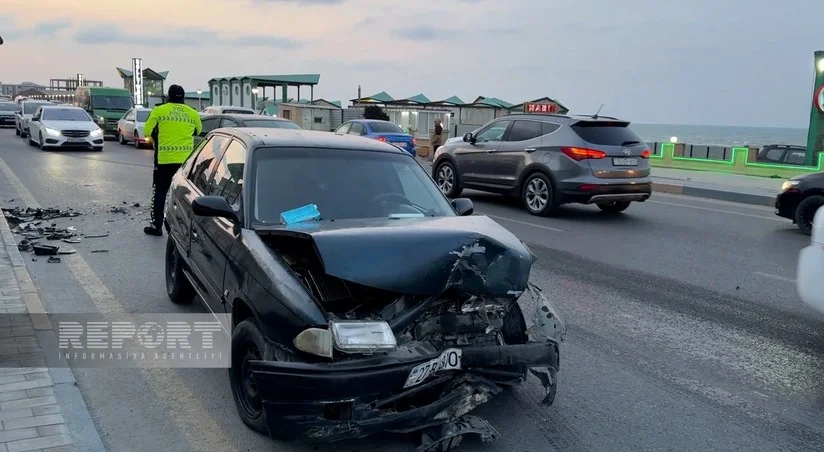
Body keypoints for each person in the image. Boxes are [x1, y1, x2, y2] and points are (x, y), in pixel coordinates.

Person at [142, 84, 202, 236]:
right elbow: (198, 130)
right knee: (185, 196)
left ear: (168, 96)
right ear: (183, 97)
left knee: (160, 193)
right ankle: (187, 229)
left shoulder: (159, 111)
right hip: (186, 163)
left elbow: (146, 131)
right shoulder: (192, 113)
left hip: (163, 161)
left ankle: (156, 226)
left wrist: (158, 134)